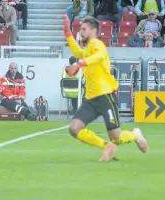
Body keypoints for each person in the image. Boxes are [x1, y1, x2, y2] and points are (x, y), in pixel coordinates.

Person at [63, 15, 148, 162]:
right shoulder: (89, 48)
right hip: (91, 98)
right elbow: (78, 53)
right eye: (80, 29)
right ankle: (106, 146)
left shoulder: (97, 43)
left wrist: (80, 64)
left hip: (105, 95)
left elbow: (100, 56)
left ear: (93, 30)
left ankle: (135, 134)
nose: (81, 32)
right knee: (74, 128)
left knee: (116, 137)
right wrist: (68, 35)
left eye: (84, 29)